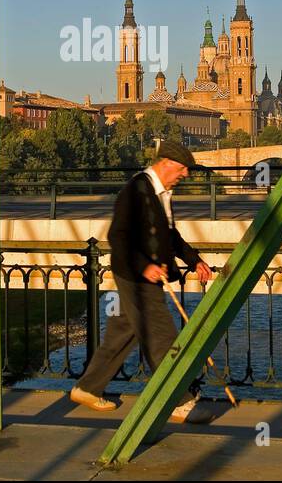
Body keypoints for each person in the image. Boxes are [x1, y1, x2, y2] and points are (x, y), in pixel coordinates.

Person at [70, 140, 213, 423]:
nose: (185, 175)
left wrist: (194, 260)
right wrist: (145, 265)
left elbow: (170, 236)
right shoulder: (135, 190)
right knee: (162, 337)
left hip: (146, 275)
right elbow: (118, 236)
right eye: (183, 169)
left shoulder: (162, 192)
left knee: (123, 332)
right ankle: (179, 402)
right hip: (135, 276)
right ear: (166, 163)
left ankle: (86, 388)